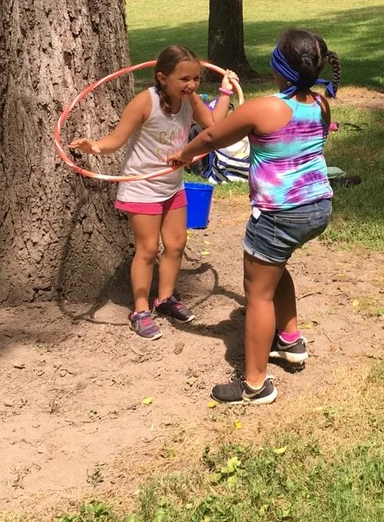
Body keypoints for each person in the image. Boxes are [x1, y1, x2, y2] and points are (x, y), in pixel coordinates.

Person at [169, 29, 339, 405]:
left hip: (280, 215)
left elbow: (212, 136)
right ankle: (290, 342)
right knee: (275, 268)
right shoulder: (322, 102)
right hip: (317, 208)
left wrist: (184, 155)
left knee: (257, 294)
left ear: (279, 67)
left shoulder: (264, 108)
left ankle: (255, 384)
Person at [69, 45, 232, 340]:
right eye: (184, 79)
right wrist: (93, 147)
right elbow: (117, 140)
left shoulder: (189, 100)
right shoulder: (145, 103)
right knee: (147, 249)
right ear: (162, 77)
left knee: (176, 244)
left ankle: (165, 299)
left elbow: (213, 126)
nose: (192, 85)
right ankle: (141, 310)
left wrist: (226, 93)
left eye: (196, 79)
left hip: (172, 184)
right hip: (142, 188)